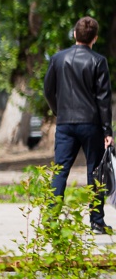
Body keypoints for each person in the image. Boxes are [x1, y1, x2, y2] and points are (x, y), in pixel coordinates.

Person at [44, 16, 114, 234]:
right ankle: (96, 222)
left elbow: (48, 90)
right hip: (91, 123)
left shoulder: (57, 58)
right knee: (95, 172)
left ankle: (51, 220)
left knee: (60, 170)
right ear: (95, 38)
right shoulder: (98, 61)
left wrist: (58, 110)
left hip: (65, 122)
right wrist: (108, 130)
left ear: (75, 34)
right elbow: (103, 98)